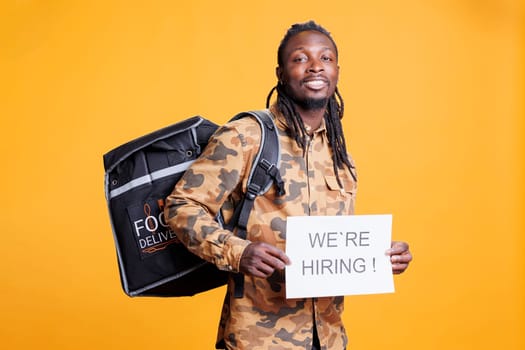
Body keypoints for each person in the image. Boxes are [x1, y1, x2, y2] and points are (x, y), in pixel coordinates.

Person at [165, 20, 412, 350]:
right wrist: (238, 252)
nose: (314, 66)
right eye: (300, 58)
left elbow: (335, 245)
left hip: (328, 338)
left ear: (337, 71)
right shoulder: (246, 136)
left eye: (325, 58)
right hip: (256, 339)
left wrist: (380, 257)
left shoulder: (339, 153)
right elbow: (181, 206)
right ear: (280, 72)